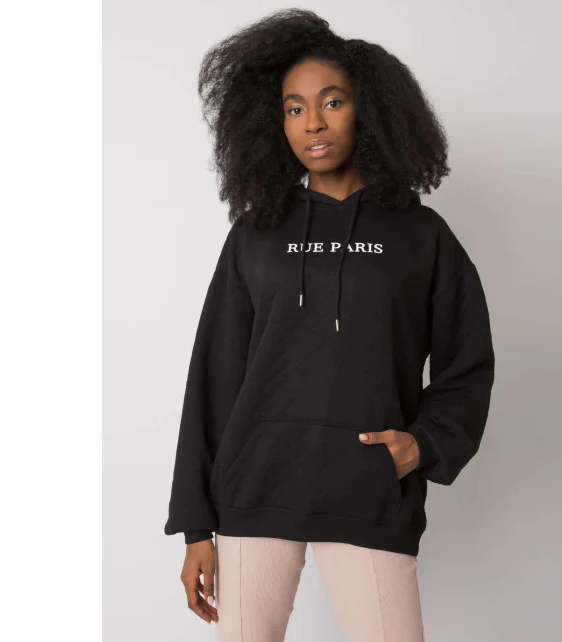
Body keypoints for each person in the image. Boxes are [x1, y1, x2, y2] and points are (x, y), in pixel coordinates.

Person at [164, 8, 496, 642]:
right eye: (293, 108)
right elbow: (214, 375)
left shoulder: (421, 235)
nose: (312, 122)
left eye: (332, 102)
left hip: (367, 490)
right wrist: (195, 525)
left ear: (369, 109)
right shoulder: (256, 233)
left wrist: (422, 444)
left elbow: (468, 362)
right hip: (254, 488)